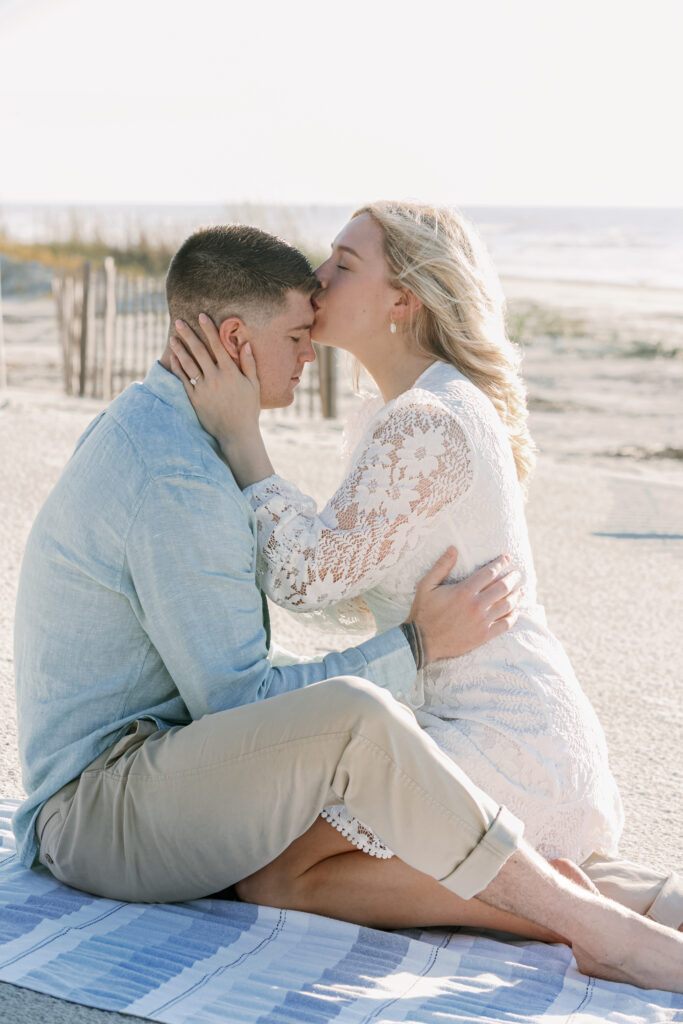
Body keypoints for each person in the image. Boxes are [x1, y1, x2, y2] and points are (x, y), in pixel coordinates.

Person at [13, 224, 683, 995]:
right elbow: (238, 702)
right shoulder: (176, 477)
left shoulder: (164, 431)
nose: (310, 355)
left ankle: (606, 903)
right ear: (235, 338)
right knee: (358, 722)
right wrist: (415, 646)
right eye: (297, 335)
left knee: (353, 807)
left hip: (148, 771)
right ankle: (594, 927)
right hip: (98, 810)